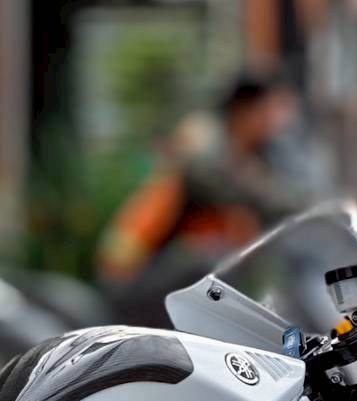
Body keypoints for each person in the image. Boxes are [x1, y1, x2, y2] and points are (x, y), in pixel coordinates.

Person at [97, 73, 332, 304]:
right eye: (273, 110)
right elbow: (251, 194)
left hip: (173, 272)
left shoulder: (251, 154)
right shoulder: (207, 147)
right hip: (134, 276)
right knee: (218, 258)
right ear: (245, 111)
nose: (281, 122)